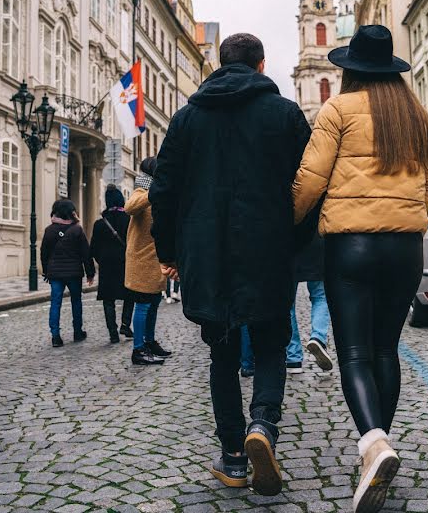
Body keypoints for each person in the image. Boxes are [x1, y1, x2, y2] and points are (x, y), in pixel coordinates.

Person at [149, 33, 313, 496]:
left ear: (217, 67)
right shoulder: (284, 114)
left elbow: (163, 191)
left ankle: (234, 457)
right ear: (261, 67)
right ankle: (263, 423)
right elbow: (308, 186)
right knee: (270, 344)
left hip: (207, 254)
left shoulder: (185, 120)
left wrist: (169, 252)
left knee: (221, 354)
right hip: (269, 249)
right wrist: (296, 242)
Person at [292, 25, 428, 513]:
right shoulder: (417, 116)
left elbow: (310, 181)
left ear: (351, 69)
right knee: (385, 349)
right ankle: (379, 447)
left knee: (353, 353)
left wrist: (287, 224)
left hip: (351, 246)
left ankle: (373, 444)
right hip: (405, 248)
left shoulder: (337, 110)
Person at [124, 157, 171, 365]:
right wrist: (154, 193)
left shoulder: (160, 195)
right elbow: (130, 207)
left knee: (153, 303)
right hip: (142, 261)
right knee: (143, 305)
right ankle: (138, 349)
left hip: (156, 260)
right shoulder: (141, 192)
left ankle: (150, 342)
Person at [40, 199, 95, 348]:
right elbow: (86, 253)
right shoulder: (77, 230)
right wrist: (90, 272)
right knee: (76, 301)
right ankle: (77, 332)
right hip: (74, 273)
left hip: (56, 274)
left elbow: (44, 253)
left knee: (55, 303)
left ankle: (56, 336)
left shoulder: (49, 230)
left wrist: (46, 271)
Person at [91, 185, 133, 344]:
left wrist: (101, 260)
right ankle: (125, 324)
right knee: (130, 295)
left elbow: (93, 248)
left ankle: (112, 333)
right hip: (125, 263)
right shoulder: (129, 220)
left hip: (107, 265)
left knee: (108, 300)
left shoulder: (100, 223)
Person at [286, 234, 332, 373]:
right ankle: (318, 337)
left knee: (288, 303)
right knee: (320, 296)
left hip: (290, 244)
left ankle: (293, 358)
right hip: (317, 242)